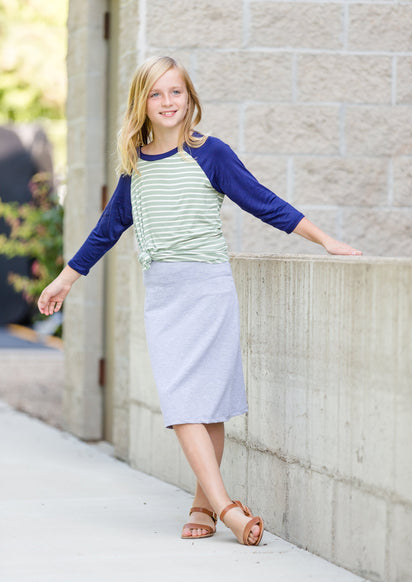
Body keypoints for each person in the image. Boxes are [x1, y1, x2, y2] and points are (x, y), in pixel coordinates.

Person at [38, 56, 362, 547]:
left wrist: (325, 240)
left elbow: (263, 201)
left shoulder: (210, 153)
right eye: (156, 94)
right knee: (182, 402)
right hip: (164, 296)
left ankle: (202, 505)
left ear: (190, 99)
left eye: (176, 93)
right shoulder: (134, 166)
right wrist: (66, 279)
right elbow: (108, 230)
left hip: (209, 291)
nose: (168, 102)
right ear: (141, 103)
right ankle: (228, 506)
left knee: (206, 406)